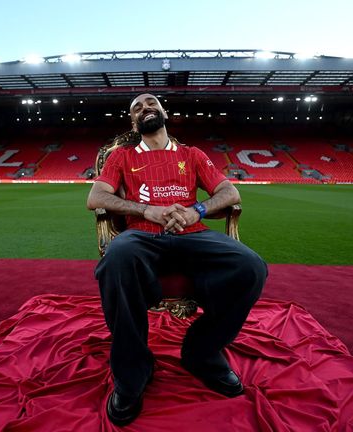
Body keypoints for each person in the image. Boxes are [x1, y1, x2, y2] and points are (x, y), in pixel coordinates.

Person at [87, 93, 268, 426]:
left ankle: (202, 352)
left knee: (251, 267)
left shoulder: (192, 154)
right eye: (137, 108)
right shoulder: (123, 157)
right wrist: (147, 210)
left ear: (164, 112)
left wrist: (194, 210)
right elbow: (95, 197)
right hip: (141, 236)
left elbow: (230, 193)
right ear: (133, 122)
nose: (145, 109)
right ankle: (132, 373)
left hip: (192, 234)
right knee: (116, 258)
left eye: (151, 103)